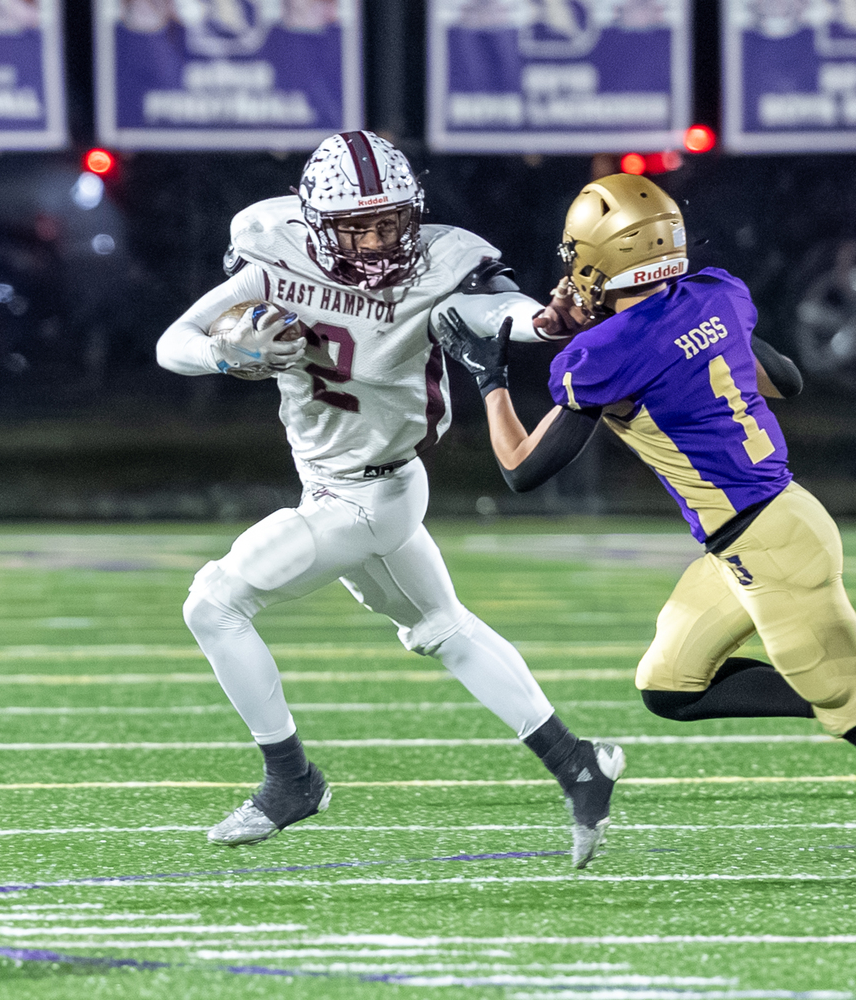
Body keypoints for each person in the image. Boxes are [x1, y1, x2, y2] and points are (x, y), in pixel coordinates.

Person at [435, 173, 856, 886]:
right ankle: (850, 691)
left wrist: (487, 379)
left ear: (602, 259)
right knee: (670, 685)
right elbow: (785, 379)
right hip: (761, 531)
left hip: (771, 547)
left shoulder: (601, 357)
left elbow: (520, 469)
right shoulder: (712, 296)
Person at [155, 130, 623, 868]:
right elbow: (172, 341)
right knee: (440, 627)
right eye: (356, 225)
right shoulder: (276, 255)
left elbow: (500, 311)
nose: (376, 241)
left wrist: (547, 322)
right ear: (315, 224)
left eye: (390, 221)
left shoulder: (443, 262)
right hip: (360, 484)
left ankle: (292, 780)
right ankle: (577, 763)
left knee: (212, 603)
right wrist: (223, 352)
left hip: (367, 497)